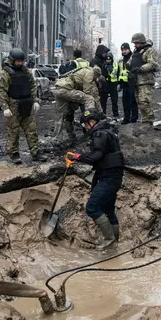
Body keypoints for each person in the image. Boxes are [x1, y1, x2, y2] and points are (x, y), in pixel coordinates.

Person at [67, 109, 124, 250]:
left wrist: (77, 157)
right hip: (114, 176)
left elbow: (96, 156)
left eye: (86, 125)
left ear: (92, 122)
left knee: (92, 208)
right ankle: (115, 242)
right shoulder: (109, 132)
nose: (86, 128)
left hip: (108, 178)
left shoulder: (100, 134)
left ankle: (109, 239)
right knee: (108, 209)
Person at [0, 48, 47, 164]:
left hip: (26, 104)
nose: (20, 63)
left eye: (21, 61)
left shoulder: (26, 72)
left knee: (31, 130)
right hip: (13, 105)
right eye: (17, 61)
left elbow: (33, 86)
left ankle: (35, 152)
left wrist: (35, 100)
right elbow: (1, 91)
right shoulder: (5, 74)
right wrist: (5, 107)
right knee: (13, 131)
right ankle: (14, 154)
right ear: (12, 60)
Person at [52, 66, 103, 141]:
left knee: (60, 115)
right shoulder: (90, 73)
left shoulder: (82, 70)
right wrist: (99, 111)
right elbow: (88, 92)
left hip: (58, 89)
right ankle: (91, 123)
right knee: (89, 99)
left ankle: (57, 139)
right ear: (97, 74)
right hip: (67, 89)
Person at [128, 33, 158, 124]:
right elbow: (130, 62)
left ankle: (150, 119)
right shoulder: (136, 51)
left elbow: (152, 64)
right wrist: (128, 65)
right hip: (136, 80)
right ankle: (145, 120)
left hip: (145, 80)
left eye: (136, 43)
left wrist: (141, 69)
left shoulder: (149, 51)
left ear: (141, 42)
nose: (135, 45)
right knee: (140, 102)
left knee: (145, 101)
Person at [118, 43, 138, 124]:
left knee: (132, 101)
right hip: (124, 84)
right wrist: (119, 83)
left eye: (125, 49)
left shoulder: (133, 58)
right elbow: (119, 72)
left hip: (132, 82)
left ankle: (134, 118)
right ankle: (126, 118)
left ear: (129, 49)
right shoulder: (121, 60)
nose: (124, 51)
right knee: (125, 102)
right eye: (122, 50)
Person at [101, 51, 120, 118]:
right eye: (107, 59)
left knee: (114, 101)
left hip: (113, 85)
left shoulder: (115, 65)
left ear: (112, 59)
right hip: (106, 85)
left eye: (109, 59)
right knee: (104, 101)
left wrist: (118, 83)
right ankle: (103, 114)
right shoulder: (103, 65)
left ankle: (116, 114)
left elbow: (118, 74)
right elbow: (102, 75)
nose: (108, 60)